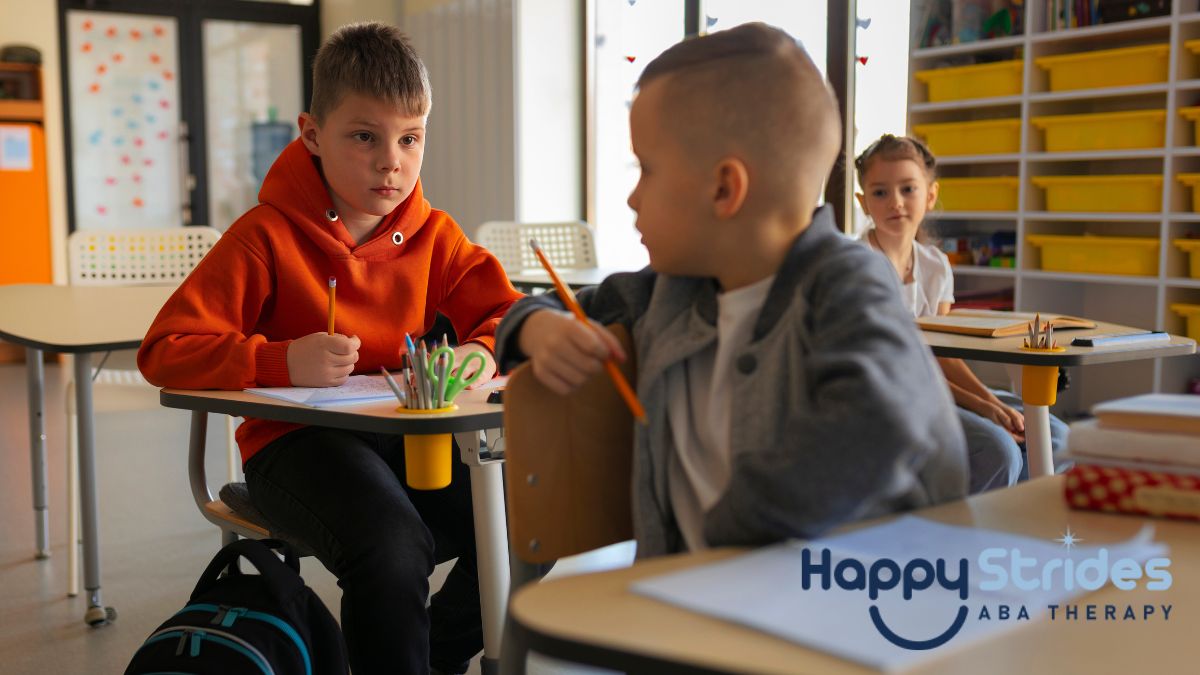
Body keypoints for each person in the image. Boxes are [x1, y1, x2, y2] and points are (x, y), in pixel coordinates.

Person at [495, 23, 967, 557]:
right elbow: (532, 308)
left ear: (724, 188)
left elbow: (880, 423)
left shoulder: (844, 281)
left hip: (840, 615)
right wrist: (538, 330)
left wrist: (731, 538)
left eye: (646, 170)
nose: (632, 198)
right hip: (688, 610)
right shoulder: (666, 291)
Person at [138, 22, 522, 675]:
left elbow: (509, 314)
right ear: (312, 134)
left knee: (523, 511)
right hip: (294, 443)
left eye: (410, 138)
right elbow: (166, 349)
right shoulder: (264, 235)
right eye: (364, 136)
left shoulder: (435, 233)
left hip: (402, 435)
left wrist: (481, 353)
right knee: (393, 547)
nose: (390, 161)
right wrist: (278, 359)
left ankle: (423, 658)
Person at [854, 133, 1068, 492]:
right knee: (998, 451)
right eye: (880, 192)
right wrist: (985, 408)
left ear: (930, 194)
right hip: (890, 393)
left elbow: (944, 355)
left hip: (935, 385)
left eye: (908, 189)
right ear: (863, 201)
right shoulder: (859, 266)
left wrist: (991, 400)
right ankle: (958, 540)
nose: (896, 202)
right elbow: (903, 367)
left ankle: (1015, 530)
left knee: (1056, 437)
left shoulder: (936, 265)